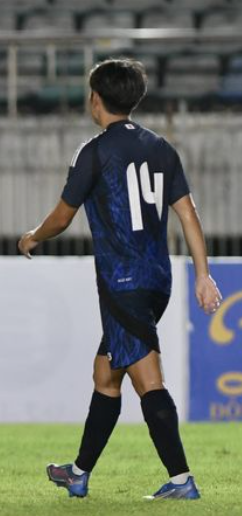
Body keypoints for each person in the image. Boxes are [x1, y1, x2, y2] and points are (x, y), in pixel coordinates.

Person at [18, 58, 223, 500]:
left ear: (95, 99)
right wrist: (202, 275)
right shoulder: (162, 148)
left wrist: (34, 236)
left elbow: (63, 215)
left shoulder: (93, 151)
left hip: (122, 282)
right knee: (106, 375)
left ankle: (182, 478)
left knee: (148, 379)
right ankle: (78, 471)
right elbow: (188, 213)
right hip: (157, 277)